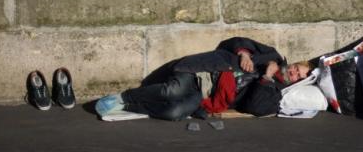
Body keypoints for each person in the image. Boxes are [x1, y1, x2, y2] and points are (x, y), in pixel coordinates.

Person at [95, 36, 311, 121]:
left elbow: (255, 107)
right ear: (292, 63)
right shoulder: (271, 54)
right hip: (205, 71)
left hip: (207, 95)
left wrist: (266, 77)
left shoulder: (275, 95)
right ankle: (123, 97)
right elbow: (235, 41)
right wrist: (244, 53)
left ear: (295, 82)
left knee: (174, 112)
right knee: (172, 91)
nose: (293, 72)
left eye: (298, 76)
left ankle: (130, 107)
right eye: (296, 68)